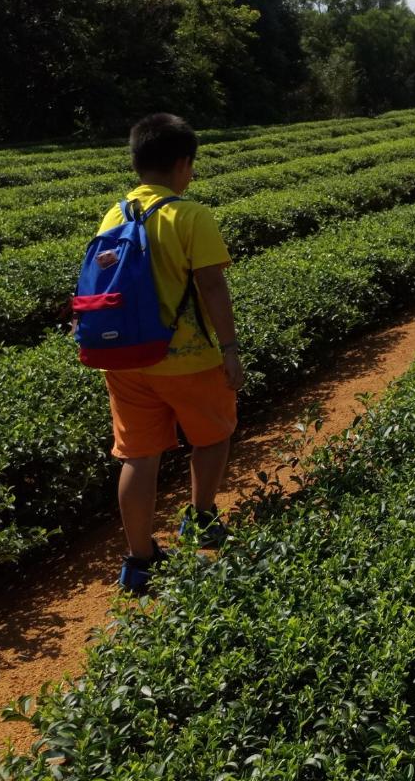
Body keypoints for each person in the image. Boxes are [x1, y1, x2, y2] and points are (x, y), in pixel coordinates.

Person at [95, 114, 242, 595]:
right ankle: (200, 520)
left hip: (125, 358)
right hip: (188, 358)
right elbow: (213, 287)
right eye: (191, 165)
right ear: (182, 164)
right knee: (212, 436)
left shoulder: (114, 214)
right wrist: (231, 349)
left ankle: (139, 561)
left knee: (137, 456)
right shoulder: (190, 215)